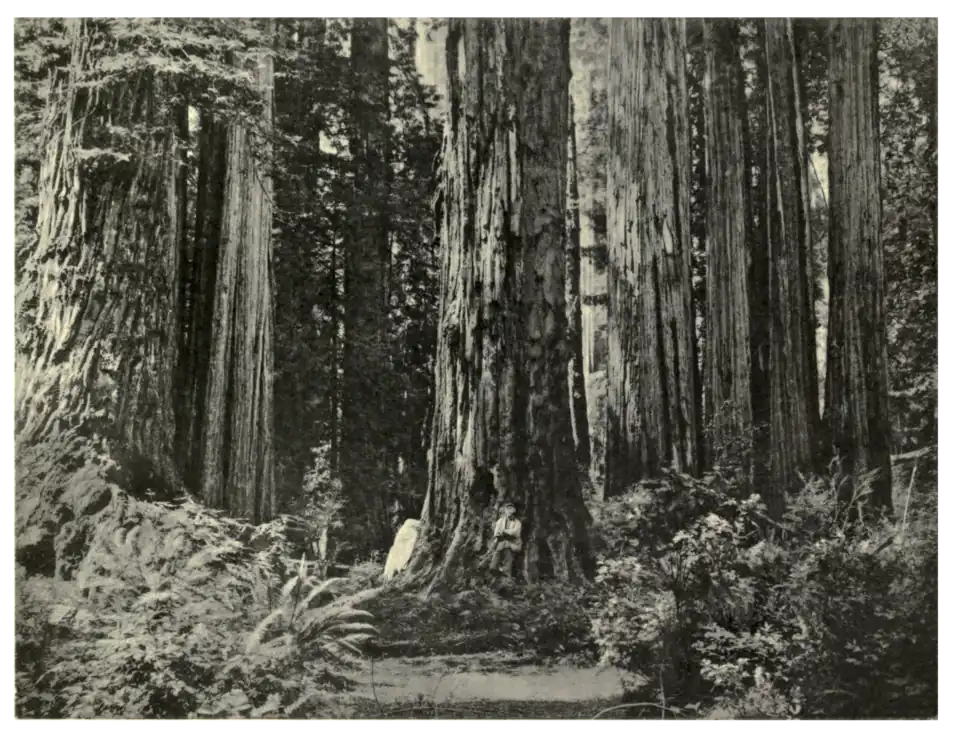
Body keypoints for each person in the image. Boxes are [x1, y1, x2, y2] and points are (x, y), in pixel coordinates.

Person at [490, 502, 522, 577]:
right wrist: (501, 534)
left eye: (511, 509)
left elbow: (515, 533)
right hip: (501, 542)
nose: (509, 511)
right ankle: (494, 568)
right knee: (497, 553)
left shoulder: (517, 523)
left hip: (512, 544)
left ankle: (506, 571)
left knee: (508, 553)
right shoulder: (501, 520)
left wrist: (504, 532)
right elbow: (497, 532)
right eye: (508, 509)